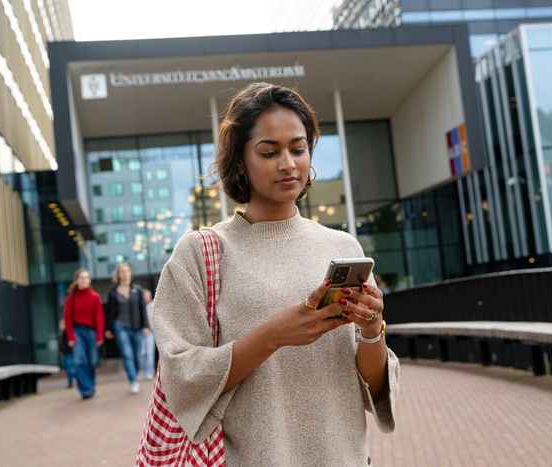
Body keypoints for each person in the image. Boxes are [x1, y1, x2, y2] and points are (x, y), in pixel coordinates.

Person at [149, 83, 400, 466]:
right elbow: (180, 374)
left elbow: (372, 385)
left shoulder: (343, 247)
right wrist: (272, 336)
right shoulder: (200, 253)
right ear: (240, 161)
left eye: (298, 149)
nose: (288, 163)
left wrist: (371, 328)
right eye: (269, 152)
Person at [105, 263, 150, 394]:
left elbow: (143, 310)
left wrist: (146, 326)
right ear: (118, 275)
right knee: (127, 354)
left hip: (137, 327)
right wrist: (108, 329)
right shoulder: (113, 292)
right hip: (120, 327)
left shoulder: (137, 290)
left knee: (137, 355)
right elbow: (109, 313)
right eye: (122, 272)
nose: (125, 274)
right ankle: (133, 381)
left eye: (127, 271)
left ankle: (134, 374)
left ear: (131, 273)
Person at [63, 268, 104, 399]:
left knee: (92, 362)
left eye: (86, 277)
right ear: (76, 281)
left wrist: (99, 335)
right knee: (79, 361)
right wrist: (70, 336)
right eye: (81, 278)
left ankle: (90, 386)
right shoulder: (71, 298)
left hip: (91, 332)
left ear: (89, 280)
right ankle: (86, 390)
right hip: (77, 332)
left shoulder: (95, 297)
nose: (84, 280)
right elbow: (67, 317)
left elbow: (99, 317)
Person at [139, 289, 156, 380]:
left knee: (149, 353)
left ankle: (150, 372)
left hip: (151, 332)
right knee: (142, 354)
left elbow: (156, 319)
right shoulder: (140, 306)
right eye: (144, 296)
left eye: (147, 296)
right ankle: (145, 371)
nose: (146, 298)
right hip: (141, 333)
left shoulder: (154, 305)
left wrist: (149, 329)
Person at [58, 319, 75, 388]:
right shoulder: (62, 333)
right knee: (67, 368)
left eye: (62, 325)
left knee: (70, 368)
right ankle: (70, 383)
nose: (60, 326)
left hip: (69, 353)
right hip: (65, 353)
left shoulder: (67, 333)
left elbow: (70, 343)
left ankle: (79, 378)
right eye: (60, 325)